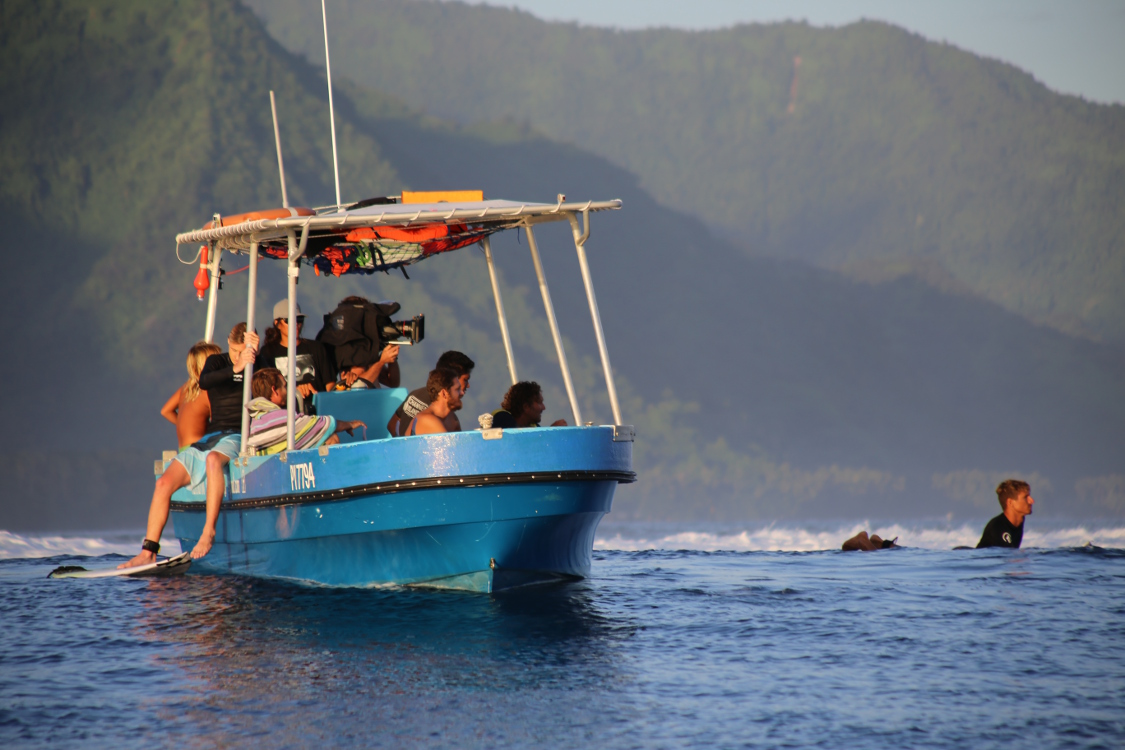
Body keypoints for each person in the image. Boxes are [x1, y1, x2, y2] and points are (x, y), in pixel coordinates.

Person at [120, 324, 257, 568]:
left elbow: (270, 376)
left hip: (237, 434)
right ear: (228, 344)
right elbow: (205, 381)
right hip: (210, 437)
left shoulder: (257, 363)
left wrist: (255, 355)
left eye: (242, 351)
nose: (238, 356)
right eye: (235, 351)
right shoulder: (217, 362)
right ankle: (148, 552)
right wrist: (237, 367)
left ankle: (209, 531)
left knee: (213, 460)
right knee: (163, 482)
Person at [245, 368, 366, 453]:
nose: (288, 390)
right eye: (285, 386)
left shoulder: (256, 420)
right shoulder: (277, 418)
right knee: (330, 437)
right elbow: (323, 424)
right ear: (274, 390)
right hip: (282, 469)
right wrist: (350, 424)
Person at [258, 300, 337, 408]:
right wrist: (295, 391)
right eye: (289, 320)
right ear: (277, 324)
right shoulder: (267, 353)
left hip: (317, 412)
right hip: (284, 413)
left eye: (299, 319)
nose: (296, 324)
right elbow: (267, 390)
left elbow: (330, 384)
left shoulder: (317, 348)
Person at [317, 296, 401, 389]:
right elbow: (359, 384)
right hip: (363, 398)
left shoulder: (367, 352)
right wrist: (381, 362)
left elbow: (392, 382)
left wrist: (391, 355)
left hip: (376, 397)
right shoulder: (349, 354)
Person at [388, 351, 475, 436]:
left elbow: (392, 425)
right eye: (465, 380)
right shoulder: (431, 418)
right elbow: (450, 445)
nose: (468, 386)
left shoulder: (415, 394)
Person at [159, 341, 222, 450]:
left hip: (184, 449)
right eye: (219, 360)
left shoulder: (185, 388)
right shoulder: (208, 390)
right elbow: (218, 421)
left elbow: (165, 411)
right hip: (199, 448)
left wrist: (186, 424)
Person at [404, 367, 464, 436]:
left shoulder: (452, 418)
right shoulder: (428, 420)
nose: (462, 393)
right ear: (444, 393)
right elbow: (449, 443)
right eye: (457, 389)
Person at [976, 479, 1035, 549]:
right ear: (1010, 502)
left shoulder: (1020, 521)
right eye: (1025, 497)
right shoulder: (997, 527)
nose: (1032, 501)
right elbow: (1009, 554)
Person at [491, 381, 568, 428]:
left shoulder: (533, 426)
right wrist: (551, 431)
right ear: (526, 407)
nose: (544, 407)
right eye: (539, 403)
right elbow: (515, 443)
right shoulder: (501, 418)